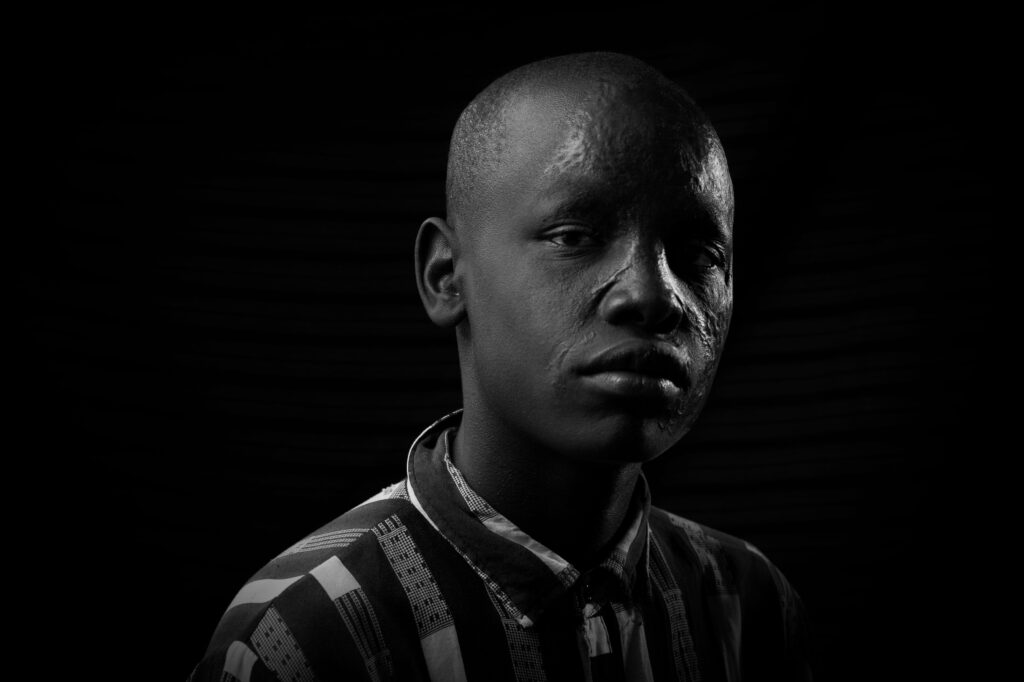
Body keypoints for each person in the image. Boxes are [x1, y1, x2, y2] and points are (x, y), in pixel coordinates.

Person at [190, 51, 812, 682]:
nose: (653, 295)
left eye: (699, 253)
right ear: (445, 276)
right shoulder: (301, 638)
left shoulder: (749, 607)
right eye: (573, 236)